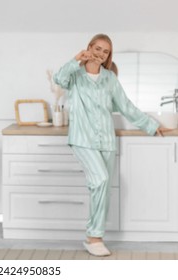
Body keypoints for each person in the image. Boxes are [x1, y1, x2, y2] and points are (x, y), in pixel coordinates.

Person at [53, 34, 169, 257]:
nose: (100, 53)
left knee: (101, 190)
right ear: (89, 48)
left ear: (108, 56)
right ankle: (94, 236)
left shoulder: (109, 79)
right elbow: (59, 79)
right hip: (82, 139)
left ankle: (93, 238)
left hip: (106, 140)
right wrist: (75, 59)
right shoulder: (75, 75)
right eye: (97, 48)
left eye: (105, 51)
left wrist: (151, 126)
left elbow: (126, 106)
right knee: (101, 179)